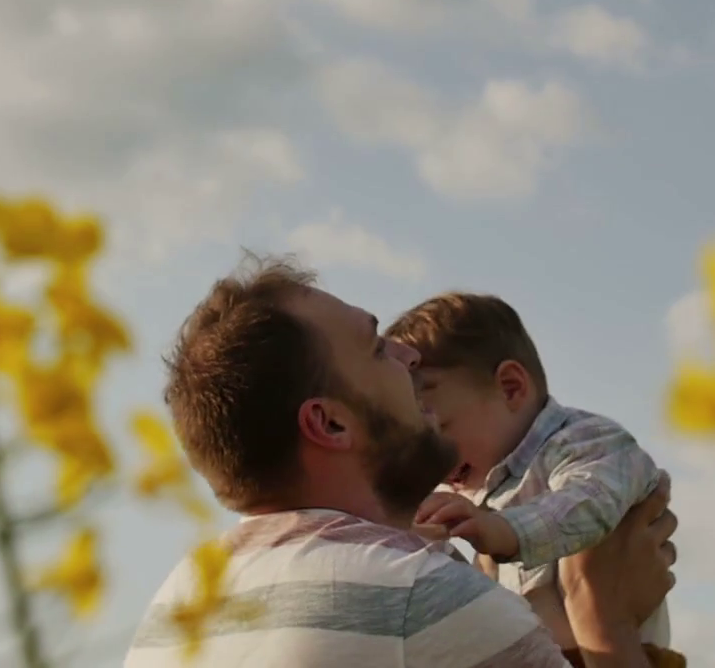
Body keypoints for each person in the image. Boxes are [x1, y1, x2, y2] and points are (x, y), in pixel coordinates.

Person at [125, 254, 676, 668]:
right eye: (377, 349)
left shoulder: (178, 602)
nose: (408, 357)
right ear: (331, 423)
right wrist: (604, 620)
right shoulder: (416, 592)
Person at [387, 293, 676, 665]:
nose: (431, 465)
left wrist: (505, 530)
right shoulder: (485, 490)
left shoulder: (584, 441)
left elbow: (590, 500)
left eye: (439, 430)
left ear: (510, 387)